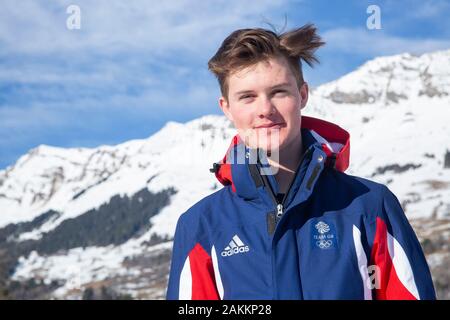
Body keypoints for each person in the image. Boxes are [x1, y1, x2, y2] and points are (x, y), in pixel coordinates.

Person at [166, 24, 436, 300]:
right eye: (247, 97)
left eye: (279, 92)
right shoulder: (201, 226)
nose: (265, 110)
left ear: (302, 95)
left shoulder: (370, 207)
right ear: (226, 108)